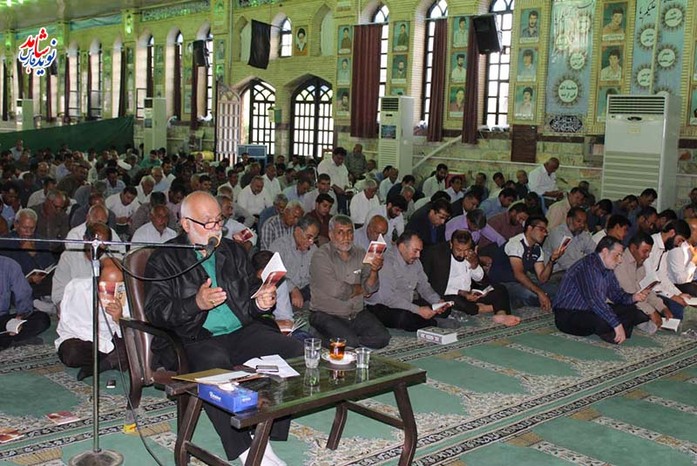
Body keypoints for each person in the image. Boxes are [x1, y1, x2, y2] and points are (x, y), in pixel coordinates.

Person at [144, 191, 302, 465]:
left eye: (219, 221)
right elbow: (156, 312)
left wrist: (261, 302)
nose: (216, 228)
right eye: (208, 222)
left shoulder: (232, 250)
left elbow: (249, 296)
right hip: (193, 337)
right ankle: (244, 448)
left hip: (239, 331)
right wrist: (195, 303)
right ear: (186, 224)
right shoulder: (164, 258)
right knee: (216, 370)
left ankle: (265, 429)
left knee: (294, 351)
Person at [309, 214, 389, 349]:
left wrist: (374, 271)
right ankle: (318, 334)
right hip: (326, 313)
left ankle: (347, 338)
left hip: (355, 313)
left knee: (382, 338)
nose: (346, 237)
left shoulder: (360, 253)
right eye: (340, 232)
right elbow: (337, 290)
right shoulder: (320, 256)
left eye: (349, 232)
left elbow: (370, 288)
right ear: (331, 235)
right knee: (349, 343)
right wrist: (360, 289)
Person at [553, 236, 650, 344]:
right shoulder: (587, 267)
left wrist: (634, 297)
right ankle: (613, 331)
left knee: (630, 309)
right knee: (603, 319)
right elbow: (595, 302)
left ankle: (612, 333)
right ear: (605, 252)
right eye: (617, 255)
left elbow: (616, 295)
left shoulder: (608, 268)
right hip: (568, 314)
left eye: (621, 256)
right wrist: (616, 324)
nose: (620, 260)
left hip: (589, 310)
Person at [421, 230, 520, 326]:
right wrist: (462, 293)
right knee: (456, 302)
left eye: (466, 250)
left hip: (470, 292)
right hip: (451, 294)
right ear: (451, 244)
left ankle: (501, 314)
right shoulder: (438, 256)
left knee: (500, 289)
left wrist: (475, 265)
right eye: (458, 250)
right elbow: (437, 286)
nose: (462, 254)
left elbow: (481, 280)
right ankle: (484, 308)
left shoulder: (470, 254)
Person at [55, 257, 130, 380]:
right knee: (71, 354)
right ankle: (112, 360)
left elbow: (130, 329)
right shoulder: (76, 287)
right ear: (96, 278)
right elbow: (66, 322)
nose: (113, 289)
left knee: (138, 345)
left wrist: (118, 318)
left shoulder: (125, 291)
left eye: (118, 284)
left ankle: (103, 364)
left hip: (110, 337)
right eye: (108, 285)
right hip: (81, 338)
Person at [366, 231, 456, 331]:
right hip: (382, 306)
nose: (418, 255)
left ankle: (426, 318)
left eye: (420, 251)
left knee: (443, 309)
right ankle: (433, 322)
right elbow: (388, 298)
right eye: (415, 251)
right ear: (402, 247)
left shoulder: (415, 262)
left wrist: (437, 302)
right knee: (403, 317)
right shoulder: (386, 261)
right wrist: (418, 310)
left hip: (406, 302)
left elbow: (424, 286)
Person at [488, 215, 564, 310]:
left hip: (521, 281)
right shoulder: (515, 243)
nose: (545, 234)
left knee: (558, 290)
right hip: (503, 283)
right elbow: (518, 274)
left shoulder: (537, 249)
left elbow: (542, 278)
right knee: (529, 294)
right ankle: (512, 302)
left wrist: (551, 260)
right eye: (541, 230)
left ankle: (517, 302)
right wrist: (540, 293)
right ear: (529, 228)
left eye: (545, 231)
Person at [614, 233, 672, 334]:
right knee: (637, 312)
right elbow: (630, 294)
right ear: (633, 248)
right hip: (617, 302)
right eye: (645, 251)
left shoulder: (639, 263)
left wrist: (662, 308)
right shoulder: (621, 262)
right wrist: (652, 312)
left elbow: (647, 290)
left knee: (665, 305)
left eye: (649, 252)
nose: (647, 255)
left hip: (635, 299)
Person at [269, 214, 320, 309]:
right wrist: (293, 289)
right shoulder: (279, 246)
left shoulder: (314, 249)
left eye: (314, 238)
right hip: (283, 291)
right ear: (298, 231)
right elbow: (273, 274)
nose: (311, 242)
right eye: (309, 237)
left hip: (307, 290)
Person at [0, 256, 51, 350]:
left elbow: (23, 294)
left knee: (42, 319)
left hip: (3, 320)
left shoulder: (9, 265)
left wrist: (20, 319)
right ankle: (10, 340)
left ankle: (7, 340)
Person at [644, 220, 692, 319]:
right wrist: (673, 296)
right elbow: (649, 279)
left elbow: (663, 276)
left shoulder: (664, 248)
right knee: (679, 310)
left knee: (685, 304)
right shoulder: (651, 244)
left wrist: (679, 294)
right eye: (680, 240)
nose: (679, 245)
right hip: (647, 290)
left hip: (657, 289)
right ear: (672, 233)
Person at [543, 207, 596, 273]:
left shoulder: (582, 233)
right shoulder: (558, 234)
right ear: (569, 220)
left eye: (584, 222)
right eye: (578, 221)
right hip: (556, 272)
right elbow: (566, 263)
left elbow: (595, 252)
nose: (582, 225)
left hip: (575, 269)